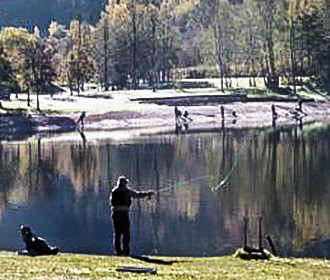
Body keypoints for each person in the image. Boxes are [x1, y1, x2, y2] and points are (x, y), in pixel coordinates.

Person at [110, 176, 155, 256]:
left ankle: (118, 252)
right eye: (126, 183)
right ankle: (126, 251)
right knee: (126, 233)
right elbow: (137, 195)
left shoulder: (114, 191)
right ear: (124, 183)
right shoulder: (127, 191)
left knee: (117, 234)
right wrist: (148, 193)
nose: (127, 184)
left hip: (115, 214)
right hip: (123, 214)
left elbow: (112, 202)